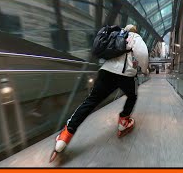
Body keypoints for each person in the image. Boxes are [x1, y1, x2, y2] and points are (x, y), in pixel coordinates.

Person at [54, 24, 149, 153]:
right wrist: (144, 69)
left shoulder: (115, 35)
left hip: (106, 72)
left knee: (91, 101)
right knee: (132, 96)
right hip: (126, 75)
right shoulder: (135, 36)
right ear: (135, 30)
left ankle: (66, 134)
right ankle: (123, 122)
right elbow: (142, 53)